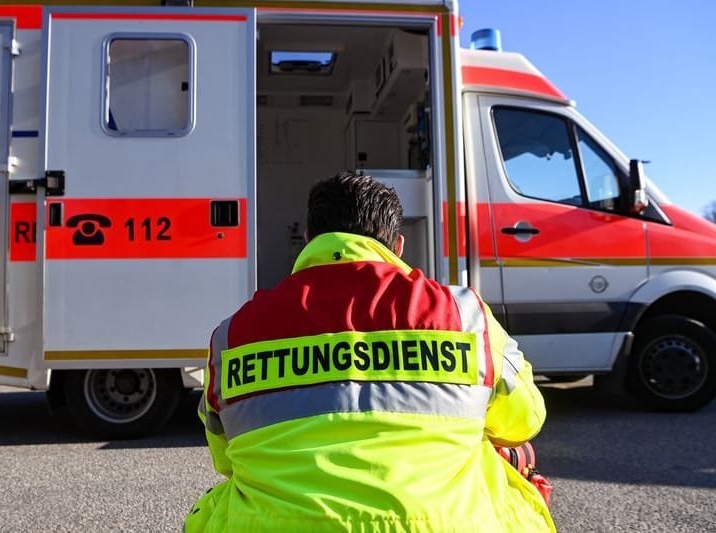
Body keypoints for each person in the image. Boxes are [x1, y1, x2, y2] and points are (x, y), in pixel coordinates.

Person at [186, 171, 555, 533]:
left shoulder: (233, 335)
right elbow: (525, 420)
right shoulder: (464, 315)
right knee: (514, 459)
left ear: (308, 239)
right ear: (397, 246)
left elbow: (225, 459)